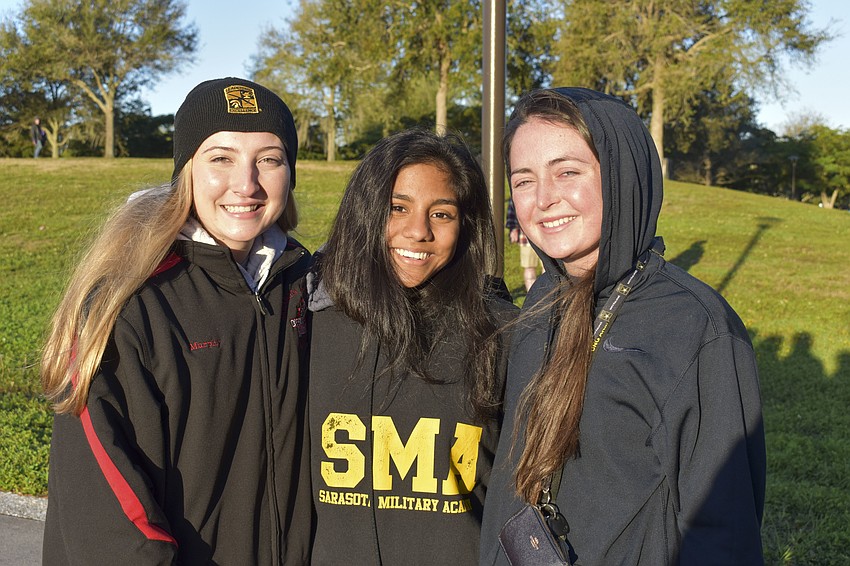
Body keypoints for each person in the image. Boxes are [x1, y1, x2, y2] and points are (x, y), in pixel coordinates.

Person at [479, 88, 766, 565]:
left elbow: (723, 532)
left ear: (621, 175)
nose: (544, 199)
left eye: (567, 172)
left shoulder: (696, 329)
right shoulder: (540, 302)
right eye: (524, 180)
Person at [40, 78, 313, 565]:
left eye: (269, 159)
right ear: (187, 170)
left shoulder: (304, 289)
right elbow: (105, 516)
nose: (246, 184)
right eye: (221, 158)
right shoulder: (127, 305)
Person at [308, 128, 518, 565]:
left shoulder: (502, 335)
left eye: (441, 214)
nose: (417, 231)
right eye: (397, 208)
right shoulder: (307, 324)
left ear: (466, 226)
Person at [505, 197, 542, 291]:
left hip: (545, 237)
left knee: (548, 267)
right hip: (526, 239)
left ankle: (547, 295)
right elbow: (512, 208)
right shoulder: (519, 194)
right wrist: (513, 228)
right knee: (529, 267)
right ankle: (532, 294)